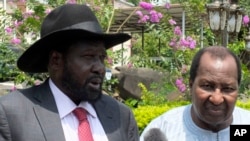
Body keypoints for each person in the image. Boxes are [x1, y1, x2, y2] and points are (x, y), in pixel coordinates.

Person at [0, 4, 139, 141]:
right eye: (89, 57)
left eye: (101, 57)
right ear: (56, 60)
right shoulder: (10, 114)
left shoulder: (121, 115)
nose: (100, 68)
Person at [140, 46, 250, 141]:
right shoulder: (164, 129)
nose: (217, 99)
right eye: (207, 86)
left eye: (228, 89)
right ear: (191, 85)